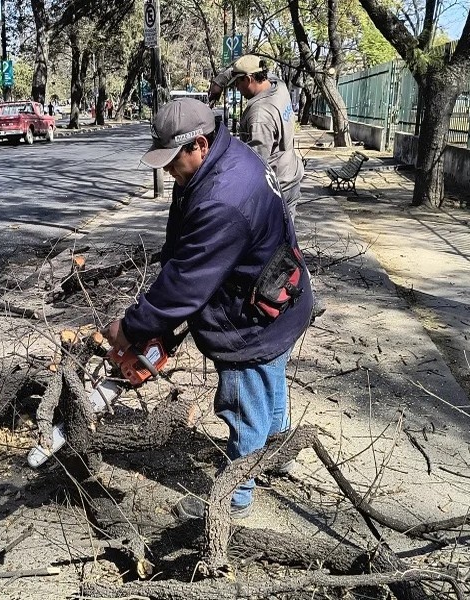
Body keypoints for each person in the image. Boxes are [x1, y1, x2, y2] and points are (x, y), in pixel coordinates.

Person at [105, 98, 314, 520]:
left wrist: (130, 328)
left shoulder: (223, 196)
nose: (166, 170)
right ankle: (277, 454)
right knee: (269, 382)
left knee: (242, 402)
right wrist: (162, 323)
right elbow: (183, 243)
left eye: (171, 160)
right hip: (279, 295)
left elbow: (186, 283)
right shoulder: (223, 157)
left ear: (198, 144)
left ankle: (232, 500)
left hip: (251, 318)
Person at [208, 55, 303, 217]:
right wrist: (220, 82)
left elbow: (255, 166)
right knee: (288, 235)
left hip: (277, 189)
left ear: (248, 79)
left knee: (273, 239)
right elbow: (245, 66)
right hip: (291, 175)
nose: (237, 88)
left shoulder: (260, 115)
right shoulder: (278, 85)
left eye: (238, 83)